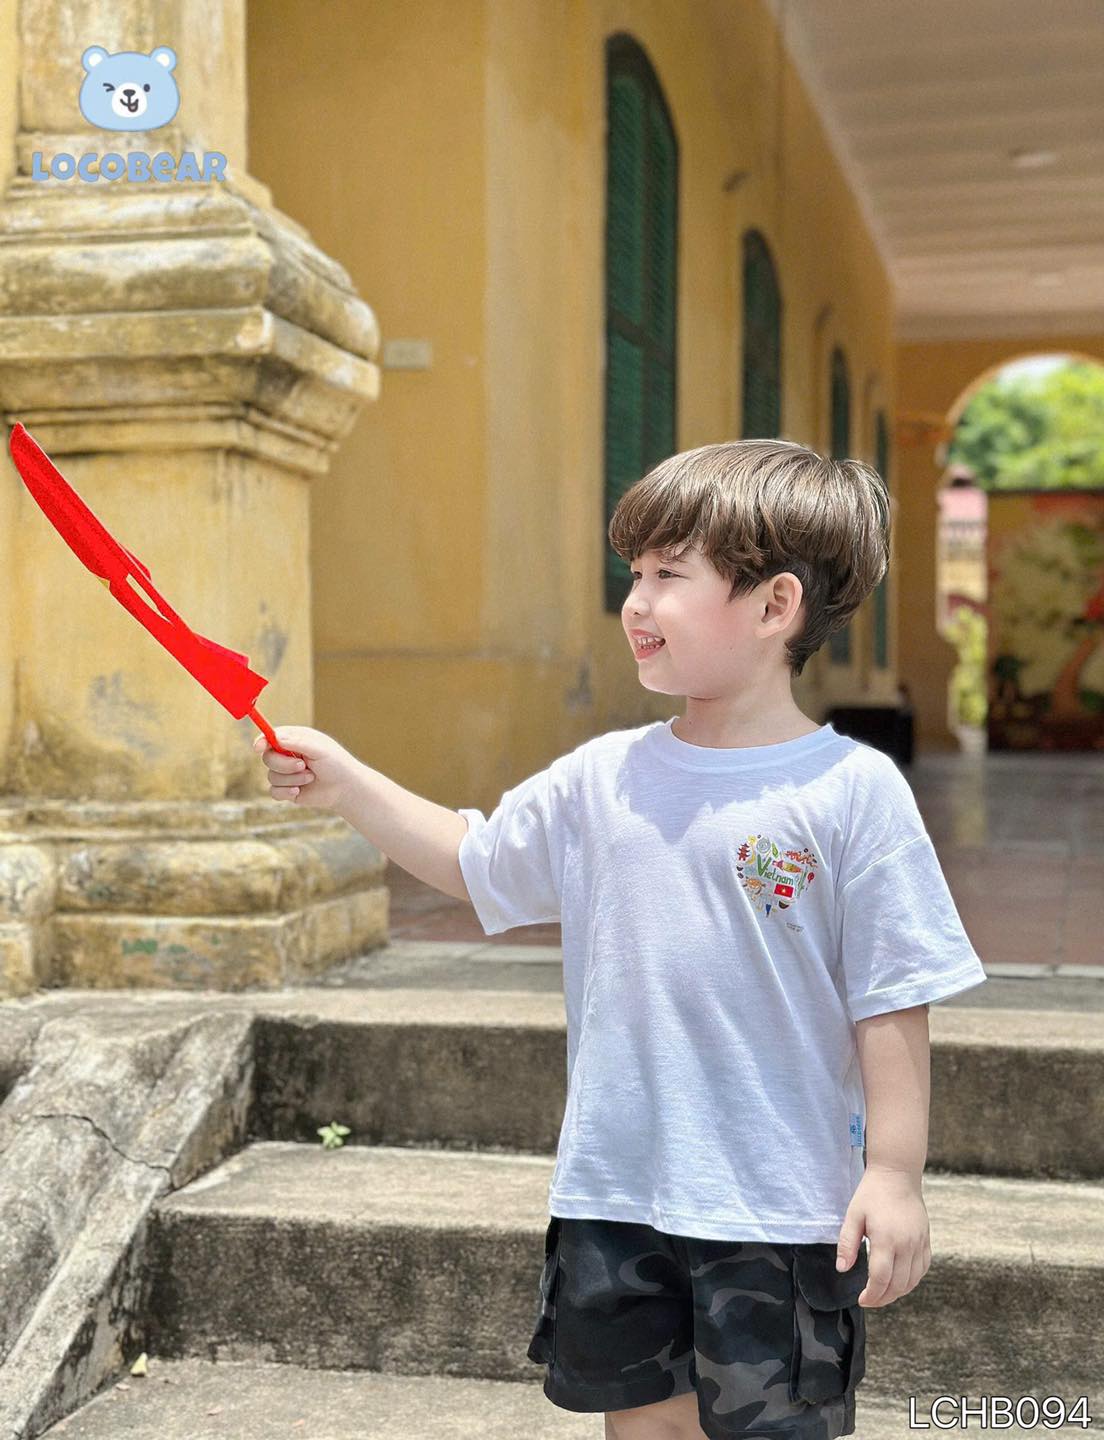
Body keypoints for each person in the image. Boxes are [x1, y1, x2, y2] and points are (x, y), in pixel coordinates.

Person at [254, 438, 988, 1440]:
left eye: (668, 576)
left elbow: (893, 992)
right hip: (616, 1194)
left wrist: (894, 1176)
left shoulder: (851, 791)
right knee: (641, 1428)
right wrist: (346, 783)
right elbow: (474, 860)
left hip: (777, 1209)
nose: (637, 603)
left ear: (776, 606)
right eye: (633, 575)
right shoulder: (601, 777)